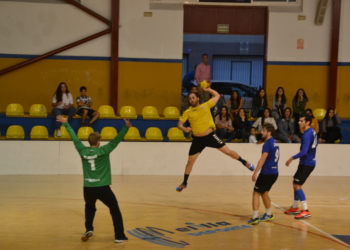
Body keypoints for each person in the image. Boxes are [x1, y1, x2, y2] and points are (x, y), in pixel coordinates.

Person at [56, 115, 131, 243]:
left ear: (88, 142)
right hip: (103, 188)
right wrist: (126, 128)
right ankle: (119, 236)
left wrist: (66, 124)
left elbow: (74, 138)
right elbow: (116, 140)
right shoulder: (104, 150)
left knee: (90, 207)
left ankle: (89, 229)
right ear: (98, 142)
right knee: (114, 209)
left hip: (88, 188)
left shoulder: (82, 150)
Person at [176, 87, 255, 192]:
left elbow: (217, 96)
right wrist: (184, 128)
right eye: (190, 99)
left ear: (198, 99)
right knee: (190, 161)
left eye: (193, 98)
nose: (192, 100)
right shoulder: (187, 112)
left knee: (228, 152)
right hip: (198, 139)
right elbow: (179, 124)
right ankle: (184, 183)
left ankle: (244, 162)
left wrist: (208, 89)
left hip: (210, 136)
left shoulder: (206, 105)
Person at [284, 113, 317, 219]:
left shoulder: (306, 134)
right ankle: (294, 207)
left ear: (308, 122)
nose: (299, 122)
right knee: (295, 182)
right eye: (299, 120)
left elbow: (304, 151)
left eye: (301, 121)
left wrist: (291, 158)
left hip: (307, 163)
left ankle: (305, 210)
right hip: (307, 162)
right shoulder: (312, 131)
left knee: (297, 185)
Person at [248, 124, 279, 225]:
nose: (261, 132)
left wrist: (255, 172)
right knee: (264, 192)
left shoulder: (267, 144)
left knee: (256, 193)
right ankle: (269, 214)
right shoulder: (275, 142)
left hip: (267, 172)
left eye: (264, 131)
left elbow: (262, 159)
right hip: (274, 172)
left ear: (269, 133)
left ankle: (255, 217)